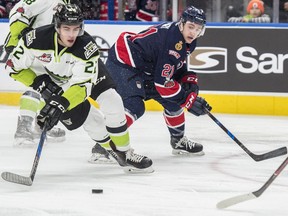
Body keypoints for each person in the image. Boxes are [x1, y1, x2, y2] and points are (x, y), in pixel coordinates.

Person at [5, 3, 153, 173]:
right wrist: (40, 84)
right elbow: (13, 68)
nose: (71, 34)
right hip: (57, 80)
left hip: (85, 78)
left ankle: (126, 152)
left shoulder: (86, 47)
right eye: (66, 28)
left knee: (112, 100)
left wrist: (61, 104)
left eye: (76, 29)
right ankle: (114, 152)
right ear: (57, 26)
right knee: (92, 121)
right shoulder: (34, 40)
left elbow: (82, 87)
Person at [90, 5, 212, 162]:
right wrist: (187, 99)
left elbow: (175, 65)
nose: (193, 32)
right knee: (134, 106)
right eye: (191, 27)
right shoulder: (173, 41)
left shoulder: (187, 40)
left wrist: (188, 79)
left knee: (174, 101)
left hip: (147, 68)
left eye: (198, 29)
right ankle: (103, 146)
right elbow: (162, 84)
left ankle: (178, 140)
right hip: (124, 62)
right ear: (181, 23)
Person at [3, 0, 76, 146]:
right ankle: (23, 128)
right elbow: (18, 11)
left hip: (45, 49)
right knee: (38, 83)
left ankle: (38, 125)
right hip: (28, 46)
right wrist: (23, 34)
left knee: (49, 85)